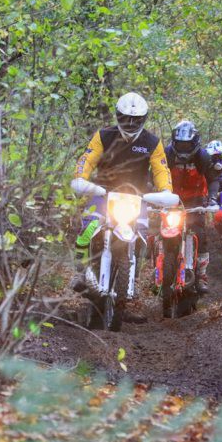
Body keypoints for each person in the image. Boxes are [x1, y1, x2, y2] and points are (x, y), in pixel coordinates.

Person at [70, 92, 172, 292]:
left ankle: (131, 276)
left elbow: (161, 169)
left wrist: (166, 191)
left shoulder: (152, 142)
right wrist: (80, 178)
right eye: (126, 118)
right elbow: (87, 159)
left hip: (137, 197)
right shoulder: (104, 136)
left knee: (141, 236)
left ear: (143, 119)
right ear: (118, 116)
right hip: (103, 193)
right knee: (87, 228)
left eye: (136, 119)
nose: (131, 123)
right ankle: (79, 271)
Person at [165, 120, 221, 293]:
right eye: (180, 144)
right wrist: (153, 192)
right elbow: (156, 175)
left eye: (187, 144)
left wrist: (212, 198)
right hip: (171, 200)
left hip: (196, 201)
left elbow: (213, 179)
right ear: (174, 142)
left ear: (195, 142)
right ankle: (160, 268)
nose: (184, 148)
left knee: (200, 234)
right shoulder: (167, 154)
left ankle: (202, 275)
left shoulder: (203, 157)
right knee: (162, 231)